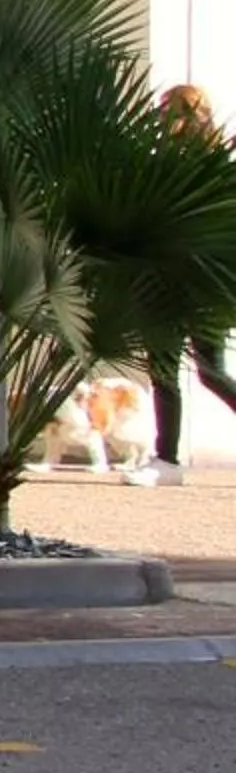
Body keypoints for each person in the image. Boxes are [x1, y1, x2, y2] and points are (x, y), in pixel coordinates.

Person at [130, 85, 236, 486]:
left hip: (203, 281)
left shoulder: (218, 166)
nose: (162, 120)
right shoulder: (158, 164)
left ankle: (167, 461)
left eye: (168, 112)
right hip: (161, 279)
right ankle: (167, 460)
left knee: (210, 372)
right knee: (164, 371)